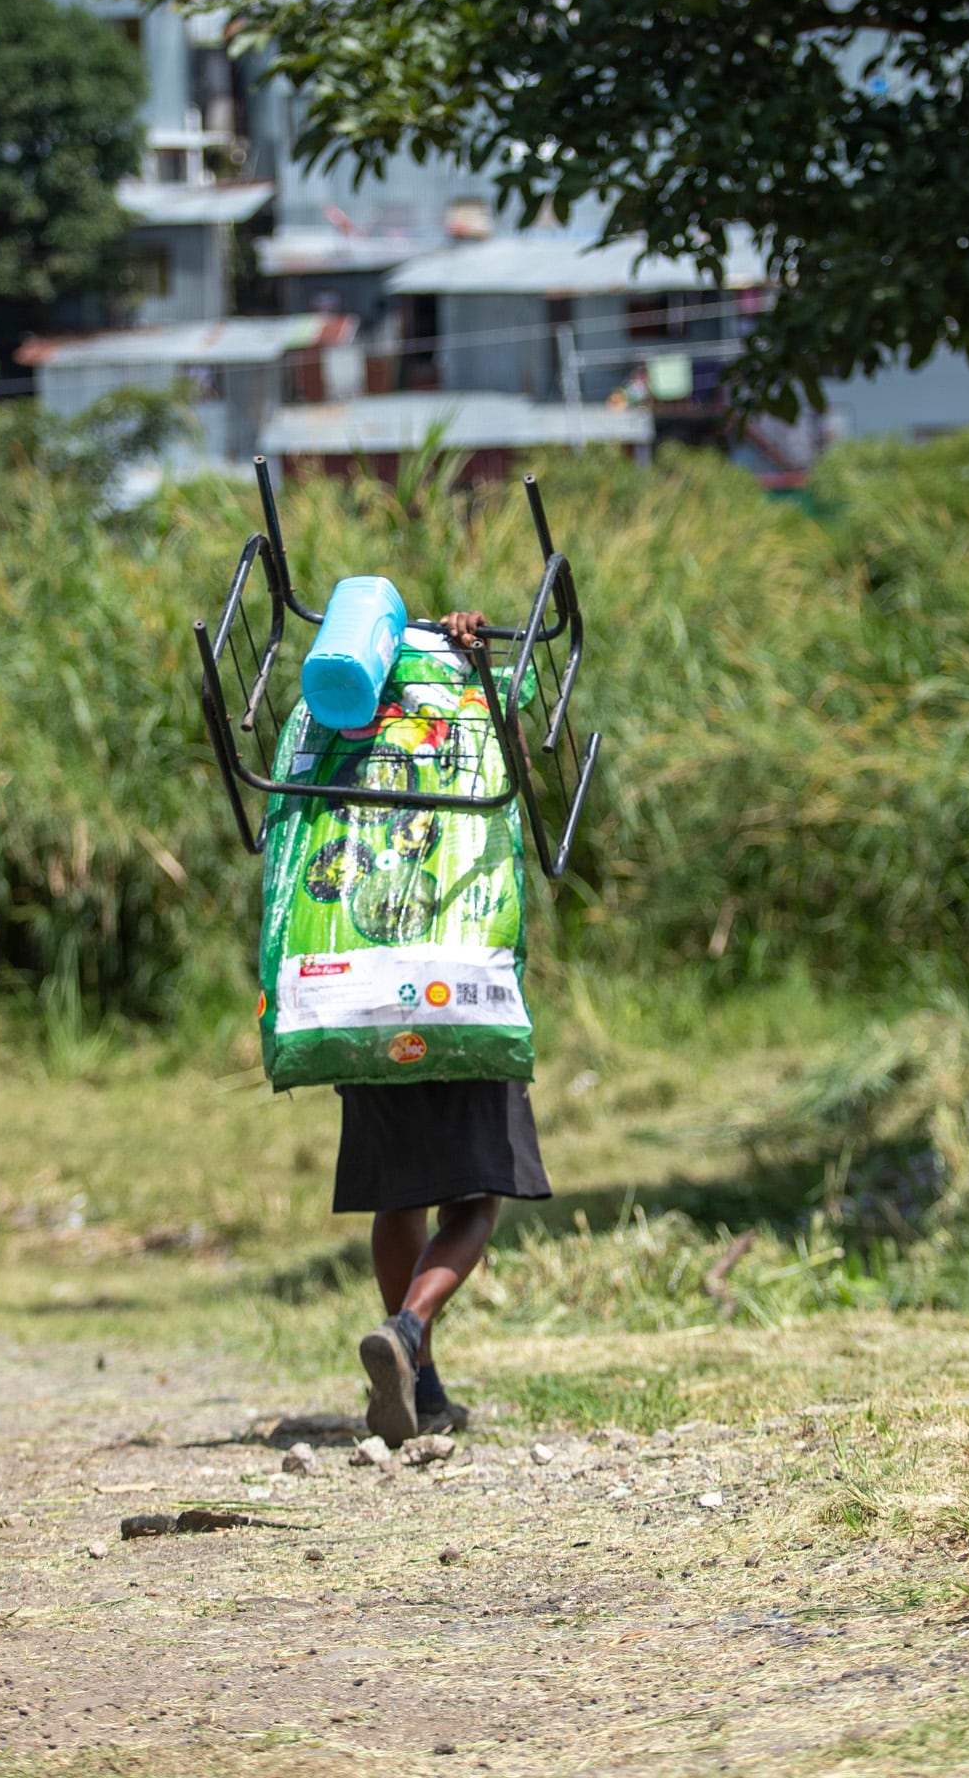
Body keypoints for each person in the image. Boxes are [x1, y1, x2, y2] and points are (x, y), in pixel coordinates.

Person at [335, 608, 552, 1445]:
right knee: (476, 1194)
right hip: (459, 991)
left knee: (399, 1193)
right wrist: (478, 665)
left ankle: (422, 1393)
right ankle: (411, 1332)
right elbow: (516, 779)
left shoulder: (342, 727)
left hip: (359, 990)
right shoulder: (468, 710)